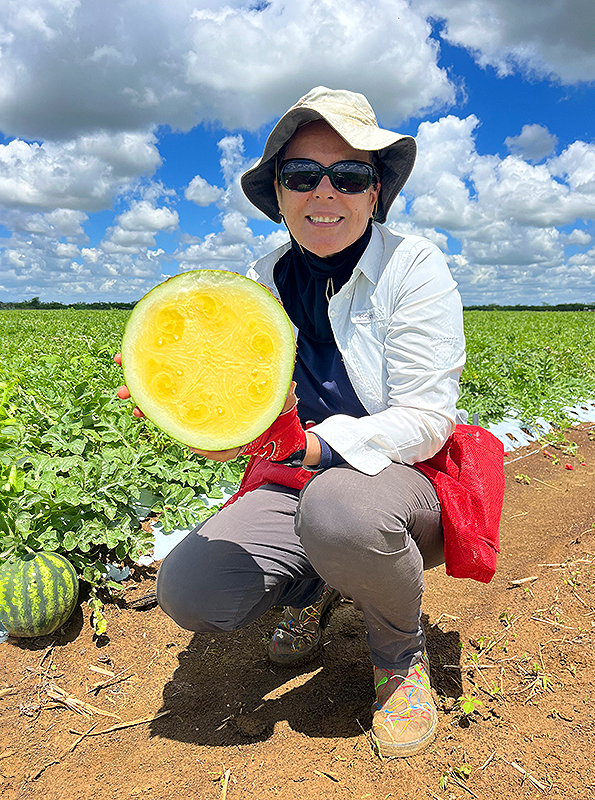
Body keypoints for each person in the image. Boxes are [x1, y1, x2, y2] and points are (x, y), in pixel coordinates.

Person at [117, 87, 466, 758]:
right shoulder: (260, 280)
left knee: (340, 508)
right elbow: (244, 422)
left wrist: (310, 446)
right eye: (302, 175)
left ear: (374, 194)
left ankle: (399, 658)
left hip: (398, 486)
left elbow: (427, 419)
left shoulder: (414, 268)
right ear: (278, 194)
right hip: (296, 481)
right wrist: (206, 424)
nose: (324, 191)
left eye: (350, 175)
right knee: (190, 590)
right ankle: (314, 585)